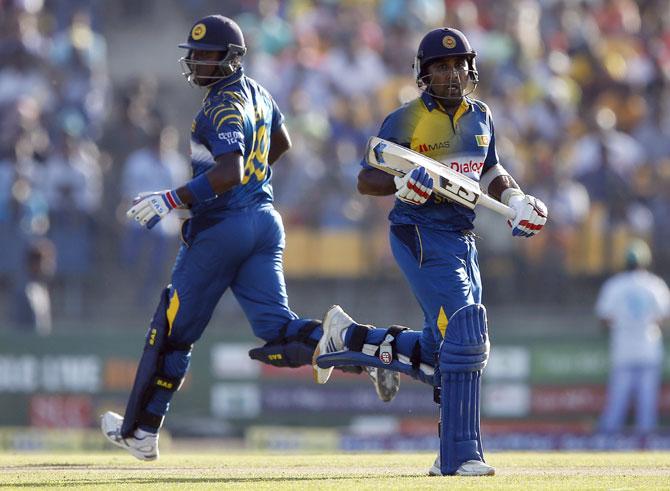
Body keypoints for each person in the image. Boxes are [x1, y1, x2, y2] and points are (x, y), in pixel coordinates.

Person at [100, 15, 397, 461]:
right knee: (279, 332)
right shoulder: (259, 92)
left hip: (224, 229)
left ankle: (138, 431)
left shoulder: (219, 106)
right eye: (194, 54)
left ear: (230, 58)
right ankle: (357, 347)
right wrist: (245, 184)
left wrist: (172, 198)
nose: (197, 62)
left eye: (205, 54)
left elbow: (229, 171)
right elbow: (281, 142)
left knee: (170, 331)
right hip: (263, 221)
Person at [312, 27, 548, 476]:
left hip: (463, 236)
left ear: (471, 68)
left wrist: (515, 199)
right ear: (424, 75)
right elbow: (366, 180)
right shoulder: (406, 119)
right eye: (441, 67)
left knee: (446, 350)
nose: (452, 74)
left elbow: (490, 169)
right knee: (465, 335)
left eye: (459, 65)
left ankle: (352, 338)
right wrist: (401, 184)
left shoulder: (481, 116)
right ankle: (457, 456)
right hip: (419, 231)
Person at [595, 238, 670, 434]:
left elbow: (603, 318)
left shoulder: (614, 285)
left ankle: (606, 445)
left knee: (617, 404)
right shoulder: (655, 285)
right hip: (648, 348)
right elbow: (664, 317)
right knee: (647, 407)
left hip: (623, 350)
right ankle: (646, 446)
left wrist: (624, 322)